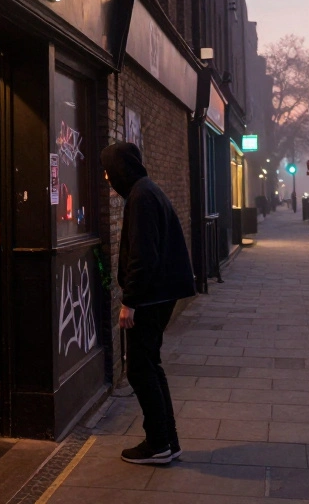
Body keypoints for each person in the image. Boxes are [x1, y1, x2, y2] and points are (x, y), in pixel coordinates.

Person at [102, 142, 195, 466]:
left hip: (151, 298)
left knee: (140, 370)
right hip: (160, 295)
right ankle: (167, 441)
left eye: (109, 171)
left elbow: (143, 255)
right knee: (149, 367)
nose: (106, 177)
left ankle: (157, 443)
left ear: (120, 170)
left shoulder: (141, 198)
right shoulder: (147, 191)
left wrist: (129, 302)